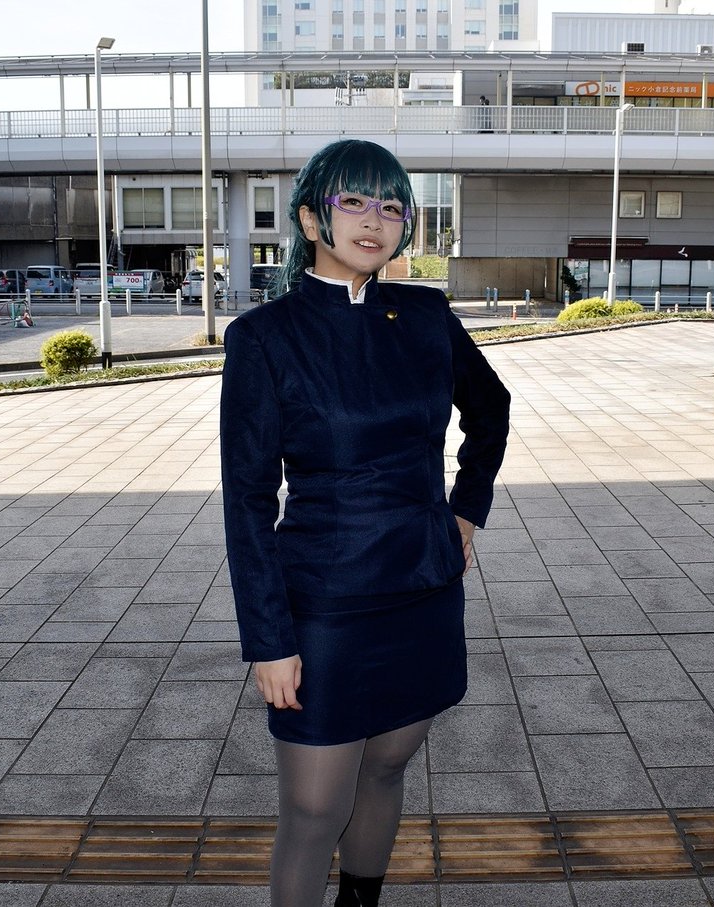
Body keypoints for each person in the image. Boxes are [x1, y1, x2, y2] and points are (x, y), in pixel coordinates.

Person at [220, 139, 510, 907]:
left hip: (422, 592)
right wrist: (269, 639)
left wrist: (465, 510)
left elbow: (491, 410)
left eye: (390, 205)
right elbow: (247, 500)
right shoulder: (264, 337)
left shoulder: (426, 316)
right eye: (352, 201)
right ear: (311, 219)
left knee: (385, 768)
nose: (374, 220)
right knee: (314, 806)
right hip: (325, 609)